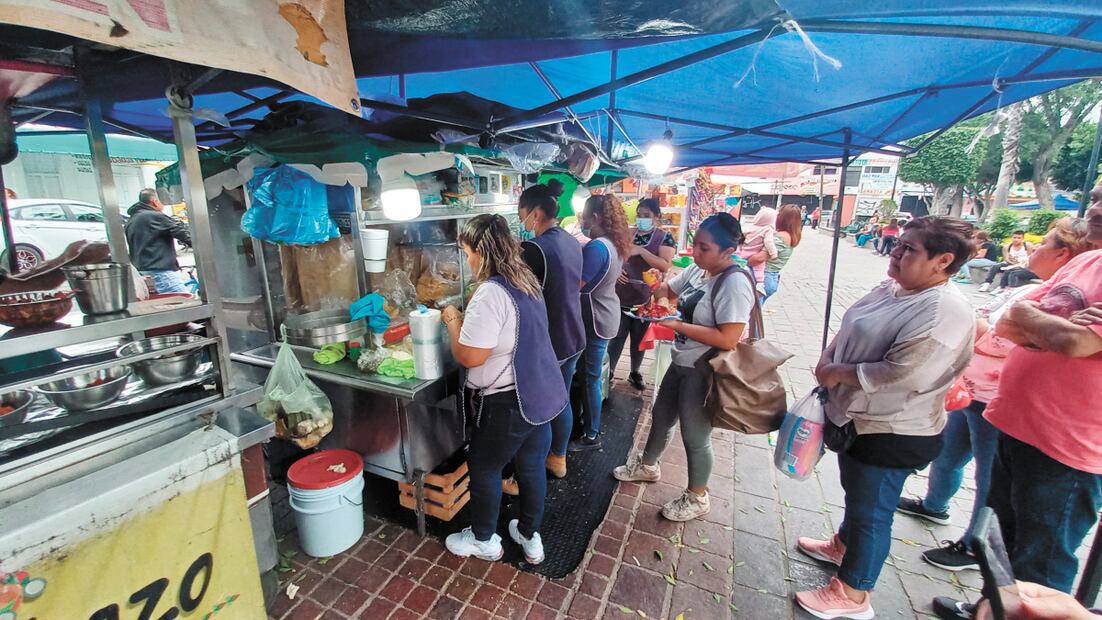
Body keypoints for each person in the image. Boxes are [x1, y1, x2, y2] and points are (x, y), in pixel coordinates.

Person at [932, 189, 1102, 619]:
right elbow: (1011, 319)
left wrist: (1042, 322)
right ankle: (989, 609)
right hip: (1016, 423)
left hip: (1068, 452)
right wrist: (1043, 322)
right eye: (1097, 196)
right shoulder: (1088, 260)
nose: (1096, 208)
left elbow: (1073, 340)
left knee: (1040, 568)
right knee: (1001, 549)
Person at [794, 216, 976, 619]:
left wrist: (840, 372)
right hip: (855, 418)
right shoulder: (894, 287)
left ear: (942, 261)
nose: (896, 252)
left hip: (893, 429)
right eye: (898, 243)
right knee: (858, 497)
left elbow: (903, 371)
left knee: (872, 511)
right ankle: (843, 545)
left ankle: (854, 592)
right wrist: (829, 359)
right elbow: (850, 327)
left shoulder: (944, 311)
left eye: (909, 248)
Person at [895, 218, 1093, 572]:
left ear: (1063, 252)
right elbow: (1008, 322)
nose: (1035, 248)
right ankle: (941, 513)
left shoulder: (1078, 270)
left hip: (1063, 444)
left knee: (1038, 558)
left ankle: (974, 548)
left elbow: (1066, 340)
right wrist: (1036, 320)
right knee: (953, 460)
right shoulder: (1075, 269)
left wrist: (1032, 322)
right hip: (1000, 407)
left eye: (1044, 242)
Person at [439, 214, 568, 565]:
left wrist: (452, 321)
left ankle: (484, 540)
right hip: (540, 396)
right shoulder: (524, 278)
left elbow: (470, 356)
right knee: (530, 468)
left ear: (479, 251)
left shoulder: (490, 293)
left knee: (484, 468)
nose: (466, 259)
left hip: (507, 403)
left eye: (466, 251)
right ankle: (529, 535)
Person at [612, 214, 756, 522]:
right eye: (695, 245)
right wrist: (657, 285)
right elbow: (669, 294)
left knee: (695, 435)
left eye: (704, 248)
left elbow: (728, 338)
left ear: (728, 252)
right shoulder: (697, 270)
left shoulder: (733, 283)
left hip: (704, 369)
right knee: (662, 416)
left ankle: (697, 496)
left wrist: (678, 324)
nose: (696, 252)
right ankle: (648, 466)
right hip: (681, 359)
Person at [516, 180, 586, 478]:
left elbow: (519, 296)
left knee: (540, 408)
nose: (522, 220)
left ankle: (528, 473)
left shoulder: (533, 249)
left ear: (536, 212)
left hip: (551, 341)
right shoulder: (570, 239)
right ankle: (558, 458)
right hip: (574, 333)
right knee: (562, 398)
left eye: (522, 214)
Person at [568, 193, 629, 452]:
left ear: (595, 217)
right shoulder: (612, 243)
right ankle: (585, 422)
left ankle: (592, 435)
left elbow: (576, 287)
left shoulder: (596, 248)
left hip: (595, 318)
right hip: (605, 313)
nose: (582, 222)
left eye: (584, 217)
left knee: (590, 377)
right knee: (587, 375)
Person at [607, 198, 676, 391]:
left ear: (657, 217)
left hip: (646, 297)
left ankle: (635, 372)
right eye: (639, 214)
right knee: (617, 335)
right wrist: (617, 268)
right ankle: (610, 370)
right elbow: (616, 254)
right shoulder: (628, 233)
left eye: (646, 215)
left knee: (639, 336)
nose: (641, 219)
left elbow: (664, 264)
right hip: (621, 292)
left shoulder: (664, 237)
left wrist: (641, 251)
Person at [125, 188, 192, 293]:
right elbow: (184, 235)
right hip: (160, 273)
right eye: (161, 201)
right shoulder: (155, 216)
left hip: (143, 272)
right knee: (187, 304)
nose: (163, 205)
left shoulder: (132, 220)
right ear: (155, 201)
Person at [759, 204, 803, 303]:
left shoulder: (781, 237)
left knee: (751, 315)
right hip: (772, 277)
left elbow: (760, 257)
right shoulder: (793, 235)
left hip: (764, 277)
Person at [736, 207, 778, 295]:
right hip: (754, 253)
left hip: (743, 252)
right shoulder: (767, 229)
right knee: (759, 268)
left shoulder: (751, 227)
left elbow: (740, 236)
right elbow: (768, 242)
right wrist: (773, 253)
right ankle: (760, 284)